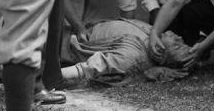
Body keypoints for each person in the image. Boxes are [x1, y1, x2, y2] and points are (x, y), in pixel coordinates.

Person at [60, 18, 193, 84]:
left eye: (176, 45)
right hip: (80, 25)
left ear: (161, 55)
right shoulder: (154, 34)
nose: (179, 37)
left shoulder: (132, 57)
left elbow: (87, 69)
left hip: (62, 43)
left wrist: (48, 76)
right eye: (181, 41)